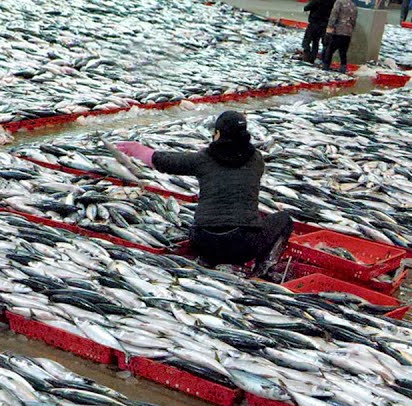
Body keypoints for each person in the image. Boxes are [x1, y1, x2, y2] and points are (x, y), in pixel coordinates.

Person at [114, 112, 292, 278]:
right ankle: (263, 268)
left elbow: (168, 162)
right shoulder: (256, 159)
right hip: (243, 246)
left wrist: (138, 150)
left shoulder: (204, 159)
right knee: (284, 219)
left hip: (203, 242)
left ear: (218, 134)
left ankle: (209, 260)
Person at [323, 0, 358, 71]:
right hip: (348, 33)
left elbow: (334, 15)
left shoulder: (339, 2)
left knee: (329, 50)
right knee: (343, 52)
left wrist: (330, 27)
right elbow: (353, 21)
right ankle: (343, 68)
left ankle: (326, 67)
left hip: (338, 31)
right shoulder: (353, 5)